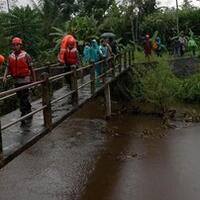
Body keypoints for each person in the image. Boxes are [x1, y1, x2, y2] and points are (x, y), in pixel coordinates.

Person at [3, 37, 36, 125]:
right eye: (14, 45)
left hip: (25, 79)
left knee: (24, 97)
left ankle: (23, 114)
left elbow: (31, 68)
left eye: (17, 45)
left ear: (20, 45)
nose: (15, 46)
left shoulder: (26, 55)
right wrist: (5, 76)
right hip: (16, 80)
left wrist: (34, 80)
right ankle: (28, 109)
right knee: (20, 97)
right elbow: (8, 67)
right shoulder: (11, 56)